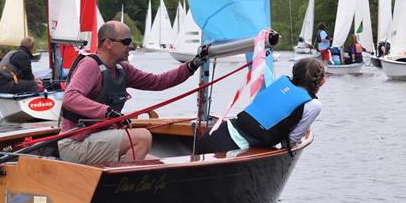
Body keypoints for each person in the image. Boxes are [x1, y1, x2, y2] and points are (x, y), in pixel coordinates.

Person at [57, 21, 208, 165]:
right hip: (75, 144)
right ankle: (120, 184)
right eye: (126, 41)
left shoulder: (123, 68)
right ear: (108, 43)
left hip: (97, 140)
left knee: (155, 163)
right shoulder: (90, 65)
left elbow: (158, 82)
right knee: (143, 137)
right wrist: (108, 112)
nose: (131, 46)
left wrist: (191, 66)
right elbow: (70, 98)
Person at [195, 57, 324, 154]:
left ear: (294, 74)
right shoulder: (313, 105)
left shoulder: (281, 84)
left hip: (213, 135)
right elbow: (289, 142)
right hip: (232, 148)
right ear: (321, 82)